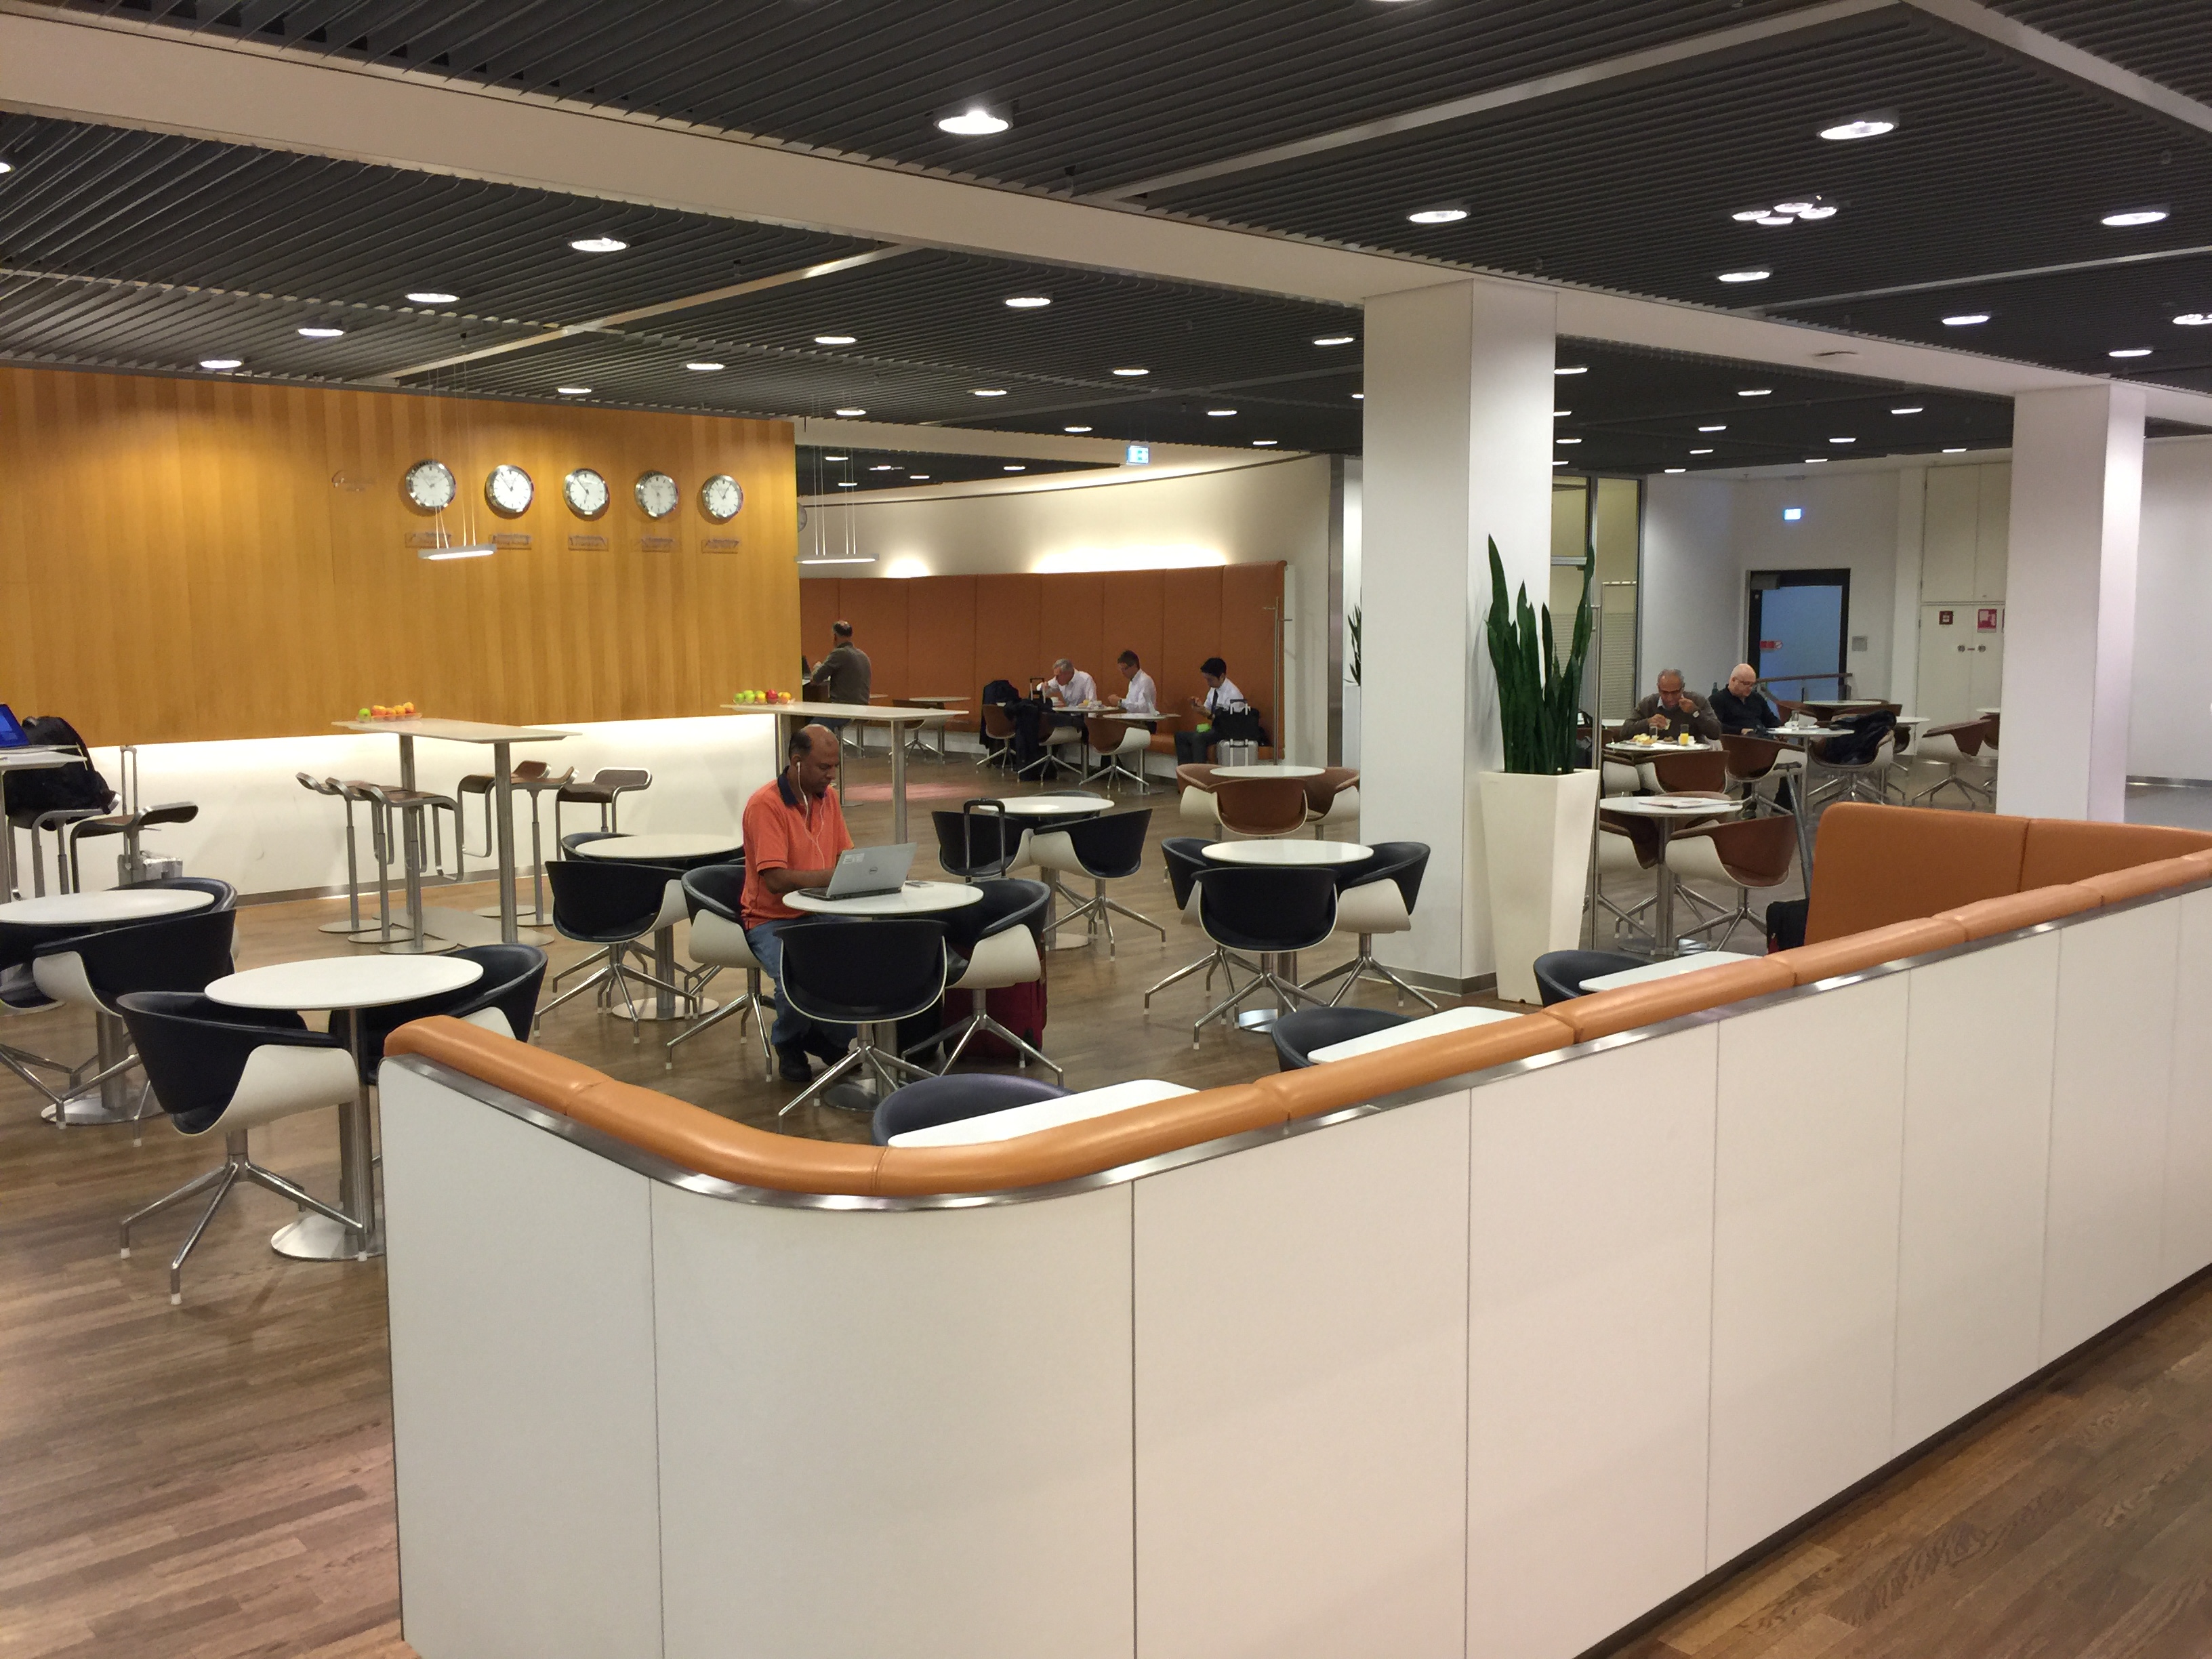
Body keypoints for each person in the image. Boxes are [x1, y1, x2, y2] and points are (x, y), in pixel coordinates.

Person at [739, 724, 858, 1083]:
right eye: (824, 767)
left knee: (865, 956)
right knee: (795, 976)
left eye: (835, 767)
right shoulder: (766, 805)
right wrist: (833, 878)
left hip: (821, 910)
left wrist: (862, 874)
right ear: (797, 762)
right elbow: (775, 881)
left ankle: (830, 1040)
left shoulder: (828, 799)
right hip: (770, 918)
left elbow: (845, 857)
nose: (832, 775)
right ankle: (789, 1042)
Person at [802, 621, 871, 739]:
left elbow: (816, 679)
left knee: (810, 731)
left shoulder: (839, 654)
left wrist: (818, 666)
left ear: (834, 636)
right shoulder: (863, 656)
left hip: (843, 709)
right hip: (863, 709)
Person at [1174, 657, 1248, 763]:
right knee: (1180, 736)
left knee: (1198, 738)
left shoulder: (1233, 694)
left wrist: (1208, 714)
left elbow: (1231, 723)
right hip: (1216, 730)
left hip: (1229, 733)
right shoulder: (1213, 690)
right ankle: (1185, 770)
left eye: (1210, 680)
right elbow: (1207, 710)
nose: (1208, 683)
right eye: (1206, 679)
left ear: (1222, 676)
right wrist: (1199, 708)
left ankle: (1199, 771)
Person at [1621, 668, 1720, 741]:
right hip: (1655, 757)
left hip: (1689, 757)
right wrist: (1647, 722)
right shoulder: (1649, 703)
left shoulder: (1697, 701)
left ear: (1683, 688)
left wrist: (1696, 713)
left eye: (1675, 693)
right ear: (1659, 688)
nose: (1670, 698)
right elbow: (1624, 732)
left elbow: (1716, 733)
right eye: (1665, 693)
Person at [1711, 663, 1782, 733]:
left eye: (1752, 685)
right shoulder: (1717, 700)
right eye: (1747, 684)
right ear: (1733, 680)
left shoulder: (1757, 698)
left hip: (1760, 737)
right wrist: (1740, 731)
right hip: (1735, 738)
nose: (1750, 688)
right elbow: (1715, 727)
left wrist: (1781, 728)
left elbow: (1770, 719)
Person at [1109, 649, 1158, 716]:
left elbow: (1142, 708)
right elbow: (1131, 705)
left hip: (1144, 721)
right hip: (1134, 719)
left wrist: (1120, 702)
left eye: (1125, 669)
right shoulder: (1132, 681)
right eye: (1121, 669)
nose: (1123, 672)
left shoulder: (1145, 681)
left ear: (1134, 666)